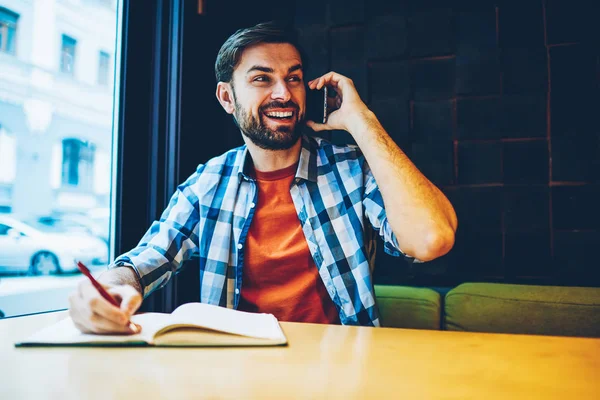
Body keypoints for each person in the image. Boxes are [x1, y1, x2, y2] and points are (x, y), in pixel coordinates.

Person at [68, 21, 457, 334]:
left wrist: (362, 122)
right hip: (235, 374)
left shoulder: (351, 168)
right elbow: (142, 263)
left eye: (293, 78)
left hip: (342, 372)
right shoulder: (208, 183)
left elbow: (431, 239)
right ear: (227, 98)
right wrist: (103, 292)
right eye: (261, 79)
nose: (283, 93)